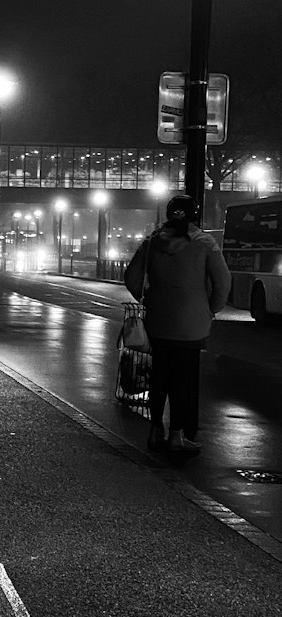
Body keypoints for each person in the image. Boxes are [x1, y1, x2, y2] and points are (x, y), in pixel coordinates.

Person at [124, 193, 231, 456]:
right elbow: (223, 282)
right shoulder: (205, 242)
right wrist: (210, 310)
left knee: (160, 376)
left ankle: (155, 430)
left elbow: (131, 276)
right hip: (192, 322)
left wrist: (148, 298)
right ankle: (177, 436)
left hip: (159, 319)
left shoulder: (151, 242)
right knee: (184, 378)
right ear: (194, 215)